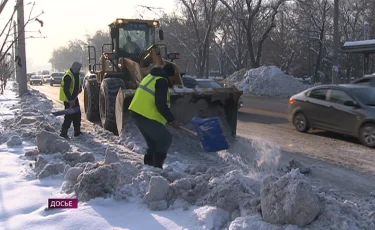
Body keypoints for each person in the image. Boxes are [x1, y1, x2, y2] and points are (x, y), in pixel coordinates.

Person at [128, 63, 180, 169]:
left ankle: (149, 167)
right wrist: (172, 120)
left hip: (136, 112)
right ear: (169, 75)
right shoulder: (162, 81)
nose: (174, 82)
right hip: (144, 115)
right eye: (173, 78)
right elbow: (161, 104)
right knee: (165, 139)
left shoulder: (151, 76)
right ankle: (157, 168)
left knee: (153, 143)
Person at [59, 62, 83, 139]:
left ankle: (77, 131)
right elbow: (66, 90)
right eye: (78, 69)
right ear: (75, 68)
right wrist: (70, 100)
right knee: (69, 116)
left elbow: (77, 84)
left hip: (75, 98)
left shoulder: (76, 75)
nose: (79, 70)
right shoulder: (68, 76)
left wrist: (80, 88)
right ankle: (63, 133)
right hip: (68, 99)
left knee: (77, 115)